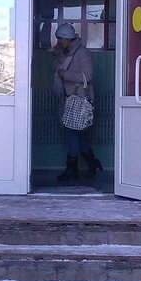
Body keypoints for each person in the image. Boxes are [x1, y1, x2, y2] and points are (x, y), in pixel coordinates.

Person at [53, 22, 103, 182]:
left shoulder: (82, 53)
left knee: (72, 133)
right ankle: (92, 162)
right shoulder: (66, 52)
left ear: (67, 38)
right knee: (78, 134)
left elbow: (87, 76)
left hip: (78, 98)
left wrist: (65, 74)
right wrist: (59, 57)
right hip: (68, 98)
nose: (58, 41)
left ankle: (72, 168)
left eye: (60, 39)